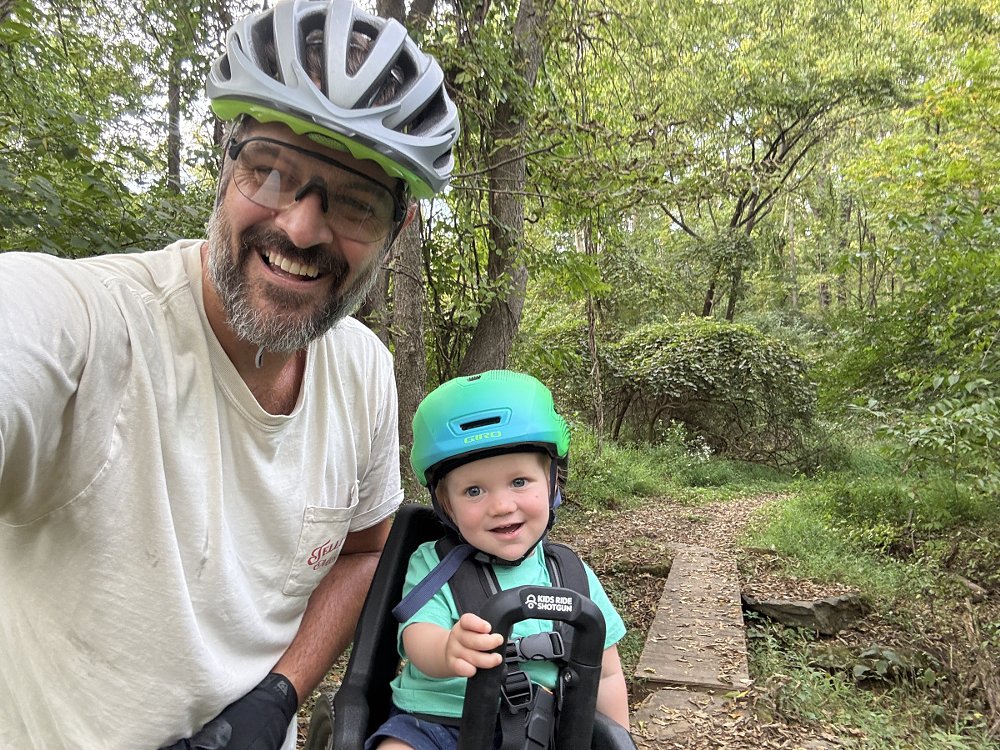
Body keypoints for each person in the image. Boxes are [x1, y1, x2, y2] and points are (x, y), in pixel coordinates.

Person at [0, 1, 458, 748]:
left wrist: (279, 694)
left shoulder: (364, 371)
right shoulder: (92, 326)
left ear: (396, 230)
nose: (302, 228)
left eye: (353, 201)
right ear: (226, 164)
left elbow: (367, 549)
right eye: (272, 172)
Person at [366, 370, 631, 750]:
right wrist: (446, 649)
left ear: (553, 483)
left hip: (542, 732)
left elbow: (604, 675)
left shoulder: (572, 575)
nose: (502, 506)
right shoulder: (433, 564)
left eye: (519, 482)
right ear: (447, 506)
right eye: (474, 490)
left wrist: (616, 737)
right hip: (439, 726)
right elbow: (416, 634)